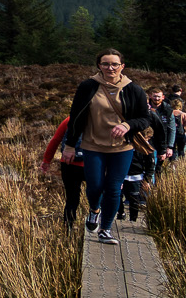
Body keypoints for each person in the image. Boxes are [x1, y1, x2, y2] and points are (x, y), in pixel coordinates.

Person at [69, 50, 147, 244]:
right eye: (105, 64)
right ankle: (95, 210)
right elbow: (76, 116)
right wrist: (70, 145)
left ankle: (105, 228)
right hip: (92, 144)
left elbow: (144, 119)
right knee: (95, 186)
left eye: (114, 64)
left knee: (113, 189)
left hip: (122, 148)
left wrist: (127, 125)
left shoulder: (133, 89)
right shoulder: (88, 86)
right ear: (99, 66)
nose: (110, 68)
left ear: (122, 66)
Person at [38, 111, 88, 230]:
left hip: (68, 164)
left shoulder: (69, 120)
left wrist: (46, 161)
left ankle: (68, 228)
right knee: (96, 196)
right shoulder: (99, 121)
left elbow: (55, 140)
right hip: (91, 165)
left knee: (71, 198)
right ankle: (95, 222)